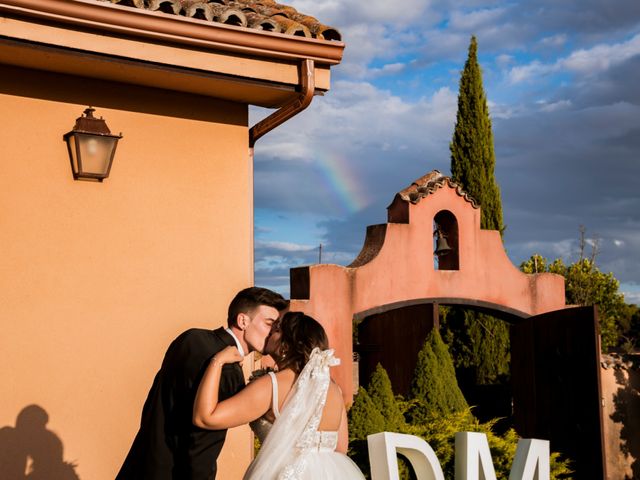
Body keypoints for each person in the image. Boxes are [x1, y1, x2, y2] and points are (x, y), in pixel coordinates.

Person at [116, 287, 288, 480]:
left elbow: (154, 403)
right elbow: (202, 445)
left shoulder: (190, 337)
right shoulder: (228, 371)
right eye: (269, 324)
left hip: (140, 465)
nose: (273, 334)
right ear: (243, 321)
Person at [193, 311, 366, 479]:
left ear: (286, 345)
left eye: (276, 330)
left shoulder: (272, 385)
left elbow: (205, 418)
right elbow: (341, 447)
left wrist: (217, 361)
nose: (269, 333)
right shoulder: (333, 389)